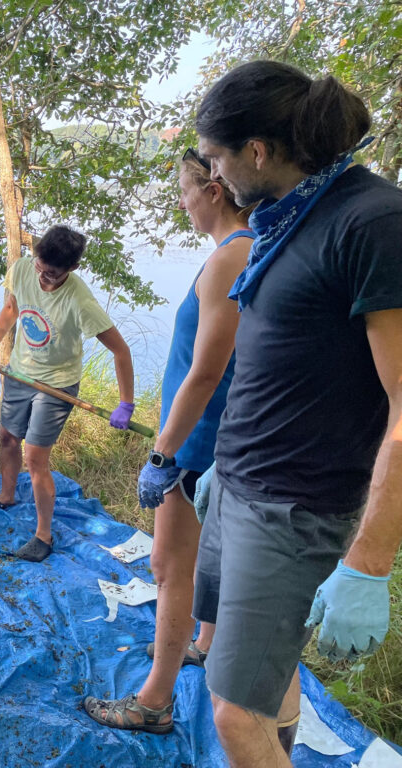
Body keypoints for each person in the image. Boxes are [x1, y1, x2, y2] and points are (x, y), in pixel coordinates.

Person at [190, 61, 402, 767]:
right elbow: (277, 351)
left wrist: (369, 564)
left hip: (294, 508)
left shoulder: (372, 221)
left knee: (233, 715)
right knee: (261, 671)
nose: (212, 179)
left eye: (217, 159)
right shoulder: (287, 216)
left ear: (258, 150)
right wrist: (223, 457)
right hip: (240, 484)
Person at [83, 148, 255, 733]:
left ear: (213, 189)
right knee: (199, 560)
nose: (181, 204)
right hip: (210, 442)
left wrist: (162, 453)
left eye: (184, 191)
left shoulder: (233, 257)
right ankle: (202, 641)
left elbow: (206, 372)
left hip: (197, 444)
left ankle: (154, 702)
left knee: (168, 565)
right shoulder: (238, 252)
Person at [0, 225, 135, 562]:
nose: (44, 281)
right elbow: (12, 308)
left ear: (71, 270)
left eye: (53, 276)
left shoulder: (80, 300)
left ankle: (43, 536)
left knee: (35, 458)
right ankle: (6, 496)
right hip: (20, 372)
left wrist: (126, 402)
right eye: (41, 270)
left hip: (57, 385)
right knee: (7, 439)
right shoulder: (21, 268)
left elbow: (121, 351)